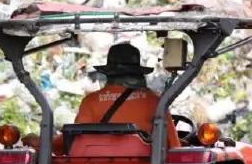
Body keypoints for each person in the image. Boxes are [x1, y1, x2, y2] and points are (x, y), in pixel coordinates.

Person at [22, 42, 181, 154]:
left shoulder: (91, 101)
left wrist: (43, 144)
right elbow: (173, 147)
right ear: (138, 73)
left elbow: (73, 140)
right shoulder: (155, 101)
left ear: (109, 73)